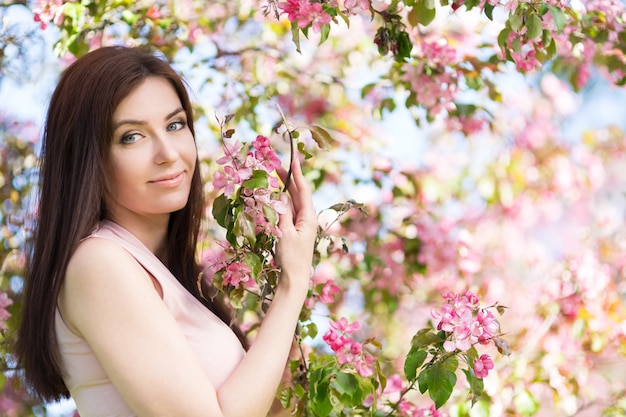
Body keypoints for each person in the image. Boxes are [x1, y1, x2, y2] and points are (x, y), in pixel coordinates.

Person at [15, 46, 317, 416]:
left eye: (175, 125)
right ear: (88, 157)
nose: (168, 153)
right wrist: (293, 282)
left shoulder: (173, 278)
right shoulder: (98, 263)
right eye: (131, 136)